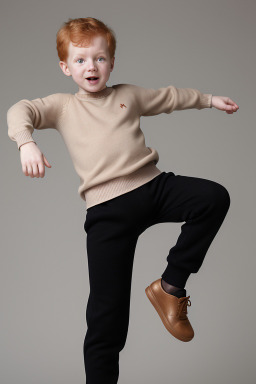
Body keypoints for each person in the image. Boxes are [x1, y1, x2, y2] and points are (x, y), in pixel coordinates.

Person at [7, 16, 239, 384]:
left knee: (213, 197)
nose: (91, 67)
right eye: (80, 60)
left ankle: (170, 286)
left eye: (99, 58)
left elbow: (169, 97)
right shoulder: (64, 106)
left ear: (111, 62)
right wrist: (26, 142)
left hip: (153, 188)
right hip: (107, 212)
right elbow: (21, 109)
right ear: (65, 67)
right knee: (107, 317)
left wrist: (209, 100)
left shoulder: (127, 95)